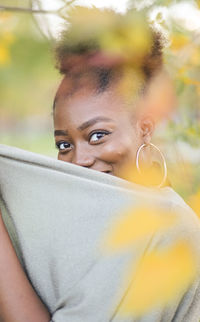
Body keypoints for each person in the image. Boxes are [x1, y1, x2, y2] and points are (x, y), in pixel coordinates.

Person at [0, 6, 199, 322]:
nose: (78, 161)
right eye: (64, 145)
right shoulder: (87, 224)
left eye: (97, 136)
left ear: (144, 129)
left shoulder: (163, 230)